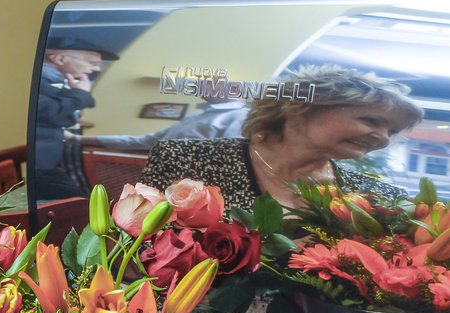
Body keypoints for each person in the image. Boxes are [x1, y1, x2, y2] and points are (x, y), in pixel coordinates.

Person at [139, 64, 423, 211]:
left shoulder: (375, 197)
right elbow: (134, 248)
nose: (383, 138)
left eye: (393, 131)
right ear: (301, 107)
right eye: (371, 120)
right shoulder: (185, 159)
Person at [34, 36, 118, 199]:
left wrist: (73, 95)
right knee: (78, 204)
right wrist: (80, 93)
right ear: (59, 58)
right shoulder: (41, 79)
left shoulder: (55, 80)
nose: (97, 69)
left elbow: (57, 117)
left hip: (48, 160)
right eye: (92, 62)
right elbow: (51, 113)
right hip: (42, 165)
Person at [63, 98, 247, 151]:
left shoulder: (240, 115)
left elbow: (230, 152)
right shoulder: (198, 114)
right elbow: (143, 141)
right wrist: (76, 138)